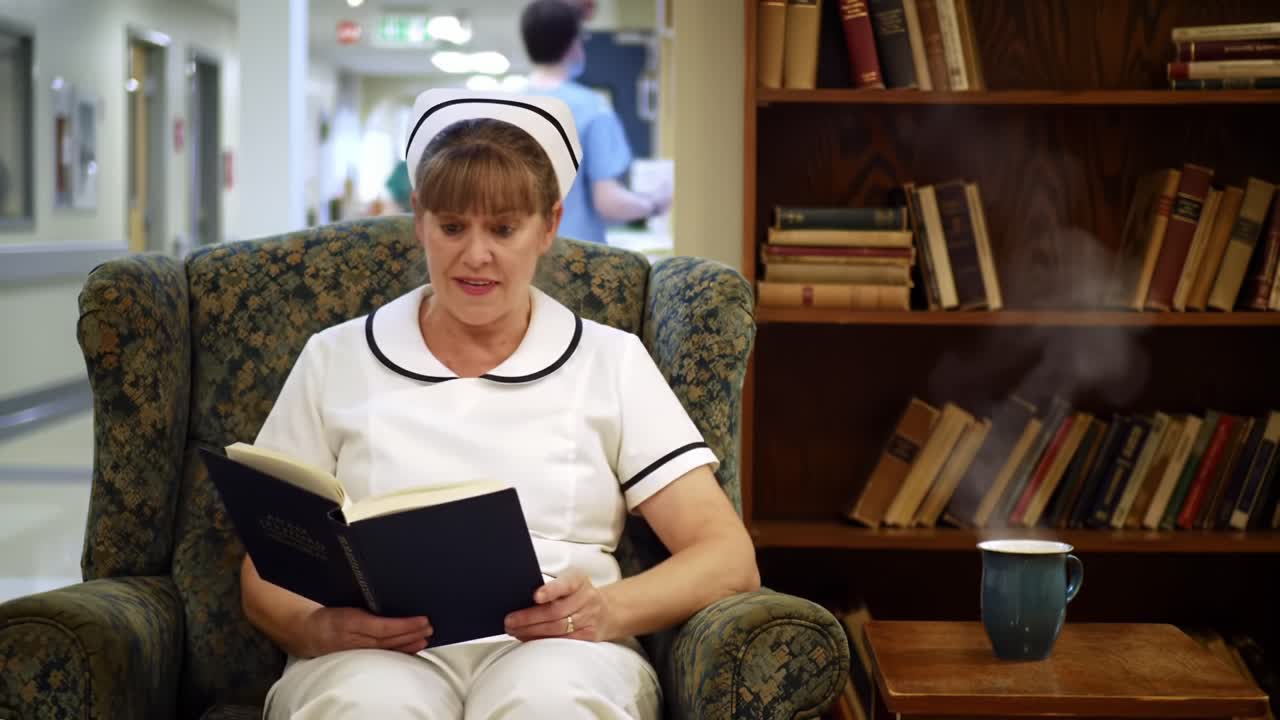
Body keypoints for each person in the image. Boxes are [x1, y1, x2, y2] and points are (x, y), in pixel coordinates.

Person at [241, 88, 760, 719]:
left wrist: (605, 610)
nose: (476, 254)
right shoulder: (335, 358)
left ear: (550, 226)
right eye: (453, 226)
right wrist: (318, 631)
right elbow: (265, 567)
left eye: (504, 228)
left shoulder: (609, 360)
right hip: (376, 655)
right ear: (419, 220)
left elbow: (727, 556)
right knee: (361, 705)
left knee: (551, 704)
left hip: (562, 650)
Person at [520, 0, 669, 244]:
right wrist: (653, 205)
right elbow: (608, 203)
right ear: (573, 44)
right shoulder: (592, 108)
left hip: (518, 255)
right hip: (573, 259)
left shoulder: (507, 106)